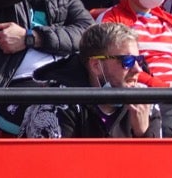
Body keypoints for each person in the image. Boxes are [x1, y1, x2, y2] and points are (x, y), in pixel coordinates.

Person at [18, 22, 163, 139]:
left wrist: (144, 133)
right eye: (128, 61)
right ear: (96, 66)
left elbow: (160, 170)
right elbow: (52, 169)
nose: (138, 69)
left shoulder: (145, 103)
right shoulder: (57, 103)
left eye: (139, 60)